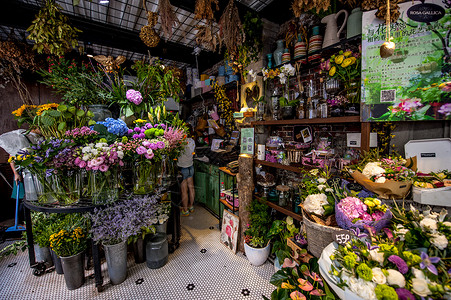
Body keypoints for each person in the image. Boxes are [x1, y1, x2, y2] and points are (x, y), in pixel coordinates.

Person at [0, 128, 41, 223]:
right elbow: (11, 158)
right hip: (22, 174)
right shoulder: (21, 138)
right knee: (22, 198)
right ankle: (20, 222)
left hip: (34, 173)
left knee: (34, 198)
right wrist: (16, 174)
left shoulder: (37, 139)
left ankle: (33, 221)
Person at [177, 126, 196, 216]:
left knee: (184, 190)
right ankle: (191, 206)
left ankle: (185, 210)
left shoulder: (180, 143)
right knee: (191, 188)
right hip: (190, 167)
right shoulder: (192, 141)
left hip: (183, 168)